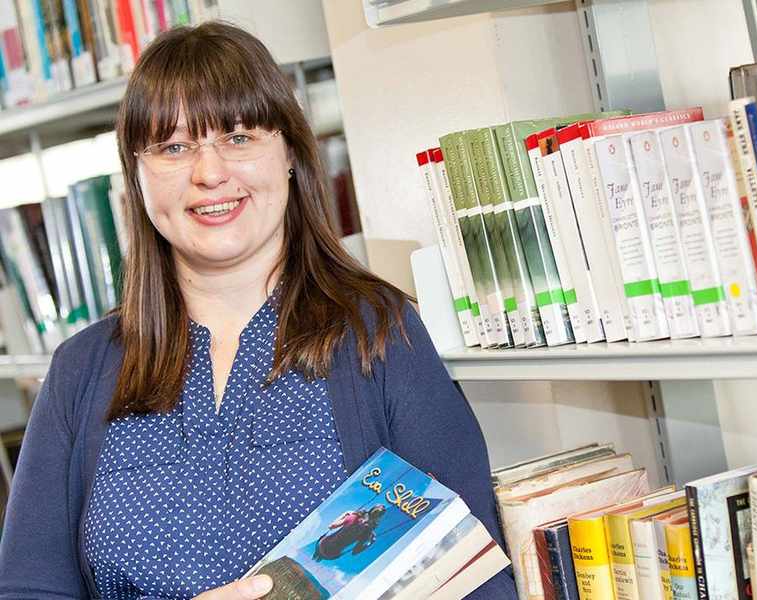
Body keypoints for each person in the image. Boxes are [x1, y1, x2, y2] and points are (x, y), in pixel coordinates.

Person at [0, 21, 517, 600]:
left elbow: (477, 580)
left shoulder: (379, 333)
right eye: (173, 147)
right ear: (137, 178)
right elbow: (29, 589)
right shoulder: (81, 371)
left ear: (291, 153)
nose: (210, 172)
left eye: (239, 137)